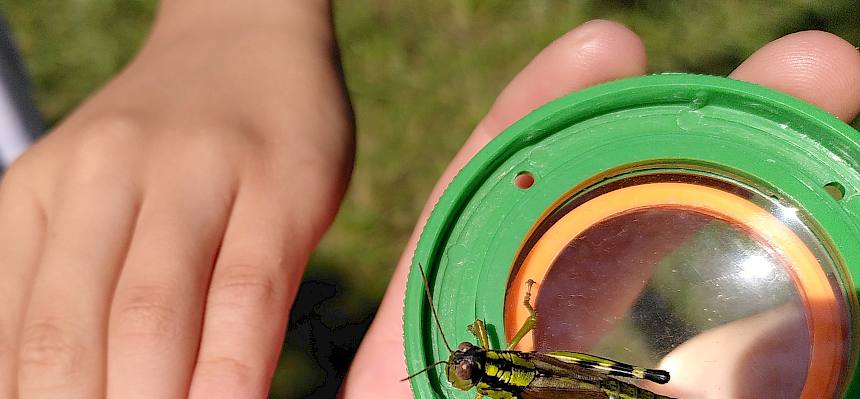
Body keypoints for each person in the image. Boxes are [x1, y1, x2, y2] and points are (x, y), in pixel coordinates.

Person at [0, 2, 857, 398]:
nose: (464, 359)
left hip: (562, 374)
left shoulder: (483, 356)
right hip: (562, 380)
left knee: (620, 373)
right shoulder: (495, 367)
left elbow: (497, 351)